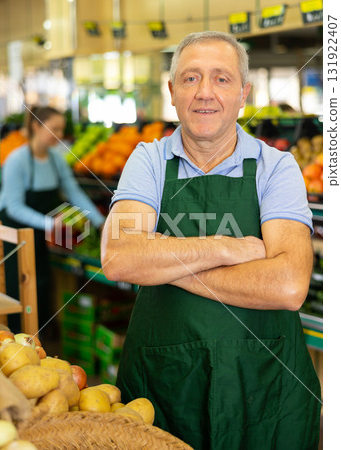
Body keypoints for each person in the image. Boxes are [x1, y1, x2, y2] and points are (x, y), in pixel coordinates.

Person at [101, 31, 321, 449]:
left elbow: (290, 285)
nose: (205, 92)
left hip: (266, 380)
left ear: (243, 93)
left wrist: (167, 264)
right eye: (190, 78)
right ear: (171, 91)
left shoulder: (277, 167)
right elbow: (120, 259)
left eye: (221, 79)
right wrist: (228, 248)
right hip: (164, 382)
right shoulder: (148, 159)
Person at [0, 106, 105, 333]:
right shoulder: (17, 160)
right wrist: (51, 224)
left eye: (62, 130)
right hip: (9, 232)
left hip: (37, 230)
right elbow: (14, 207)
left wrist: (101, 221)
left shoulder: (57, 159)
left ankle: (39, 339)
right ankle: (14, 338)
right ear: (36, 126)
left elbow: (74, 193)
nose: (60, 135)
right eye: (54, 129)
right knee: (16, 287)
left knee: (40, 282)